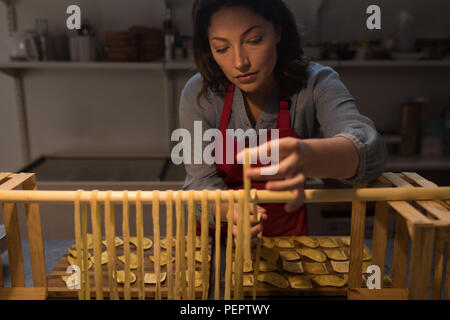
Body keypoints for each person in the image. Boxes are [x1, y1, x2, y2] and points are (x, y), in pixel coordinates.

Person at [179, 0, 387, 244]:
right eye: (222, 48)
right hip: (215, 247)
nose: (240, 62)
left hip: (290, 245)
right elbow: (199, 183)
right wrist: (232, 212)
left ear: (278, 30)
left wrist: (309, 157)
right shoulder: (200, 93)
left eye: (254, 40)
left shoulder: (315, 83)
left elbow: (372, 154)